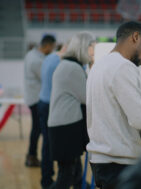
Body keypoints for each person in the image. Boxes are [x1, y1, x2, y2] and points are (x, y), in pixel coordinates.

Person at [86, 21, 141, 189]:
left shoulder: (98, 66)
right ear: (135, 37)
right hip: (118, 162)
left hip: (101, 159)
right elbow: (140, 118)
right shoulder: (123, 67)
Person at [47, 32, 96, 189]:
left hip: (63, 125)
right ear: (84, 47)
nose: (93, 52)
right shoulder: (72, 68)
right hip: (66, 127)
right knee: (66, 176)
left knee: (72, 172)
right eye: (92, 48)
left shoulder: (68, 65)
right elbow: (87, 97)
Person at [38, 43, 68, 189]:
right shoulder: (61, 62)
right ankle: (48, 181)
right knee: (52, 145)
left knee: (47, 144)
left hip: (43, 102)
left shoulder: (49, 57)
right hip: (52, 106)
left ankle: (46, 179)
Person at [24, 34, 56, 167]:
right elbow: (46, 77)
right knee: (38, 130)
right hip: (37, 98)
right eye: (53, 47)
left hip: (33, 97)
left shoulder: (31, 54)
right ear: (47, 45)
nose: (53, 50)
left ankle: (31, 155)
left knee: (36, 129)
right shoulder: (37, 61)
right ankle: (32, 156)